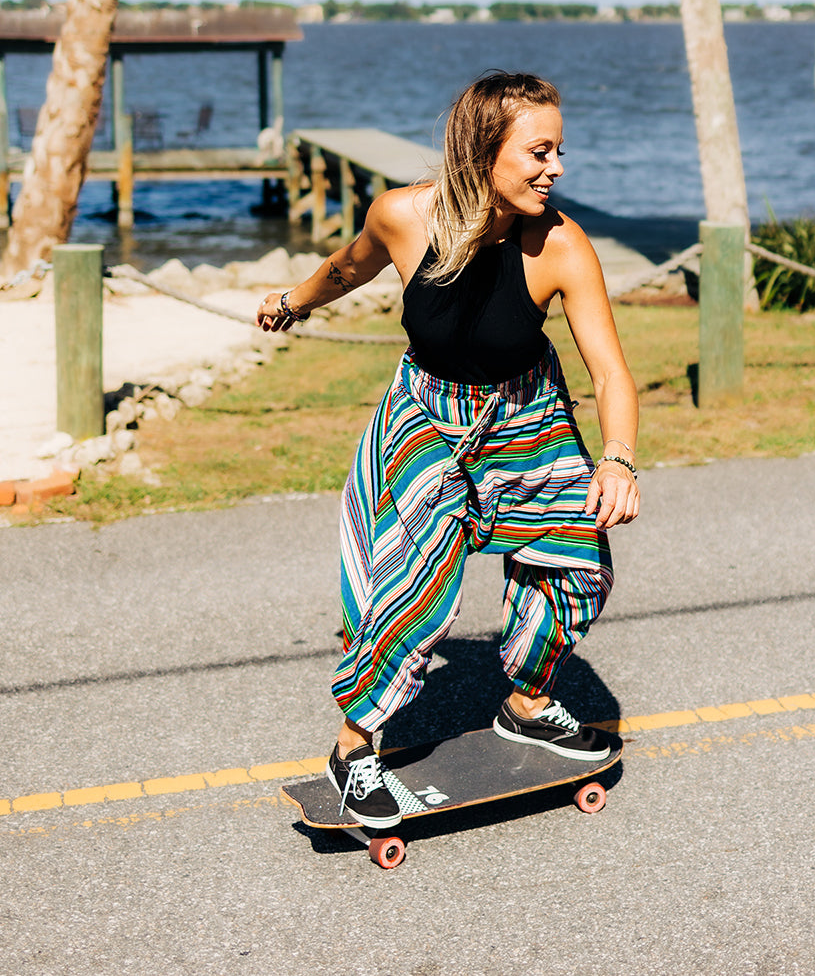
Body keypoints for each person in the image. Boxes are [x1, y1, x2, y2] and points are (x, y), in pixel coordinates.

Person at [257, 72, 639, 828]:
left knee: (578, 563)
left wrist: (618, 457)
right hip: (428, 416)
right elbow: (348, 266)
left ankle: (528, 702)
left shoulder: (560, 244)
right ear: (482, 151)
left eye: (559, 149)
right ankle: (354, 749)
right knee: (414, 584)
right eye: (538, 151)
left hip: (526, 415)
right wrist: (293, 301)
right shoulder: (403, 215)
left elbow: (610, 371)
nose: (556, 167)